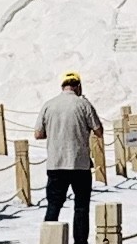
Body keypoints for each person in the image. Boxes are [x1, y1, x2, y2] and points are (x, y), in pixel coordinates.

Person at [37, 70, 105, 225]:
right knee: (81, 206)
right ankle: (80, 243)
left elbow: (38, 134)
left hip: (56, 163)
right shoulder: (83, 104)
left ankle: (49, 241)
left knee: (54, 205)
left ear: (63, 86)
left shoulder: (49, 105)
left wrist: (56, 132)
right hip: (79, 163)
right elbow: (99, 131)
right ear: (78, 86)